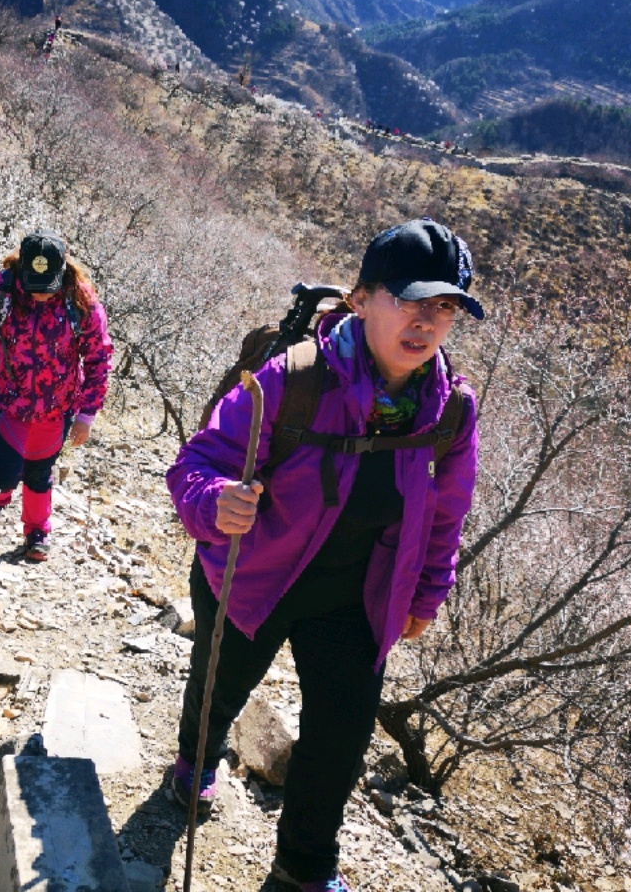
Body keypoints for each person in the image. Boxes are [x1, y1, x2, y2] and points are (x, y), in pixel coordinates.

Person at [165, 219, 483, 892]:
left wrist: (426, 595)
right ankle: (195, 764)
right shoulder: (293, 380)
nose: (427, 322)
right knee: (218, 686)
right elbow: (198, 463)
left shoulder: (450, 409)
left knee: (341, 734)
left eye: (446, 307)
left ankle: (303, 868)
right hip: (255, 574)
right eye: (411, 300)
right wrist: (215, 501)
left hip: (357, 594)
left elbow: (448, 512)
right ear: (362, 299)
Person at [0, 230, 113, 562]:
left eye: (47, 289)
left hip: (57, 406)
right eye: (34, 288)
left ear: (62, 271)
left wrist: (86, 415)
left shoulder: (82, 302)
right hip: (6, 398)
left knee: (38, 471)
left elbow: (98, 359)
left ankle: (37, 530)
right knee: (2, 473)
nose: (40, 297)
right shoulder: (3, 287)